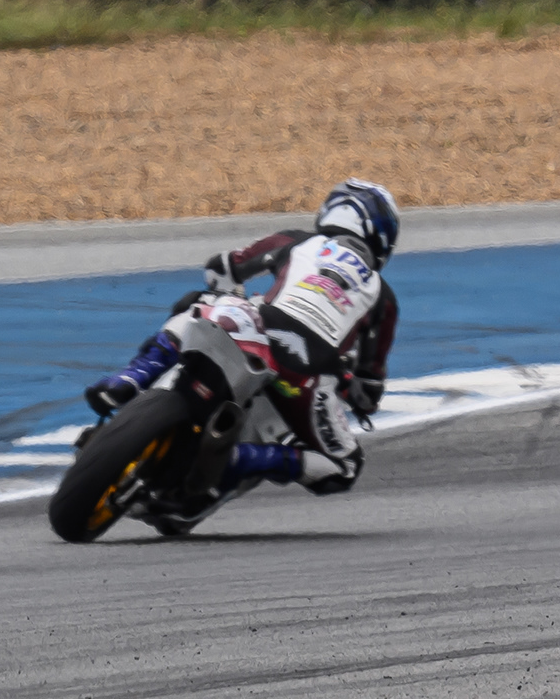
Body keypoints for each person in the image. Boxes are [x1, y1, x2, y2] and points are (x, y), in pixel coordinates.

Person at [83, 179, 403, 494]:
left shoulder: (295, 240)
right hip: (304, 376)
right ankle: (238, 459)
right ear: (381, 238)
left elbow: (222, 267)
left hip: (258, 327)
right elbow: (369, 388)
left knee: (200, 303)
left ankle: (131, 378)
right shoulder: (383, 297)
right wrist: (353, 390)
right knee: (344, 468)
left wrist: (229, 295)